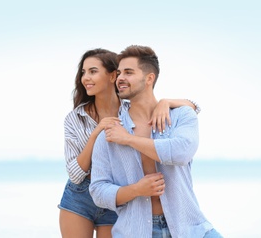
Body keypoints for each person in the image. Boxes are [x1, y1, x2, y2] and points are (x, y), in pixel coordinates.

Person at [58, 48, 201, 238]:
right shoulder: (76, 118)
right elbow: (75, 174)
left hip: (121, 197)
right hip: (81, 194)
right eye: (83, 72)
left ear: (111, 76)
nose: (85, 78)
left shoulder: (130, 107)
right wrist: (97, 133)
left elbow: (193, 108)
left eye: (93, 71)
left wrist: (165, 102)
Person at [89, 45, 222, 238]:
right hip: (135, 232)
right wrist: (136, 190)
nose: (120, 79)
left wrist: (128, 139)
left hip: (189, 228)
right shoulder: (109, 133)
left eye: (128, 72)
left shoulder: (180, 116)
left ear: (149, 78)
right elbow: (98, 191)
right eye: (119, 73)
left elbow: (181, 152)